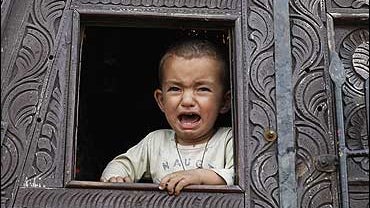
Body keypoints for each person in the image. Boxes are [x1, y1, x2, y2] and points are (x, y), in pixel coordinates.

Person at [100, 39, 233, 196]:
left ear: (224, 102)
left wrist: (198, 176)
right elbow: (121, 164)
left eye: (202, 89)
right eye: (176, 89)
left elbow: (240, 175)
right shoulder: (155, 142)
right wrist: (116, 179)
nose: (187, 101)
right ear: (161, 101)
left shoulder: (229, 140)